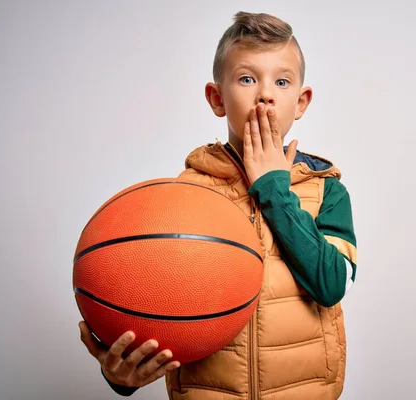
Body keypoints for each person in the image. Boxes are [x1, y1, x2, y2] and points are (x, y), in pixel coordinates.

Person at [79, 11, 358, 399]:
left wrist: (274, 190)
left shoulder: (325, 188)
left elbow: (331, 285)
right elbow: (147, 302)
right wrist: (122, 374)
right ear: (217, 98)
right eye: (247, 78)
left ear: (301, 101)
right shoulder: (186, 193)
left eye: (281, 81)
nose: (265, 93)